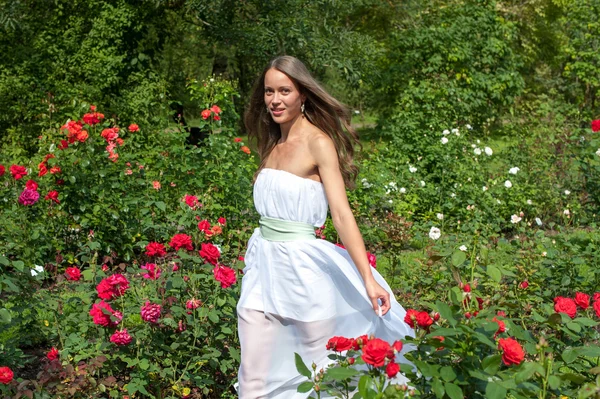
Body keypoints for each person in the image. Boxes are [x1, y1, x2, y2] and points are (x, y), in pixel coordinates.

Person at [236, 55, 414, 398]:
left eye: (285, 90)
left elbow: (342, 215)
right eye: (269, 91)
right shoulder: (273, 142)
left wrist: (368, 279)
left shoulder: (318, 143)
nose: (275, 99)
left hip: (304, 273)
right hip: (262, 268)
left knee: (323, 375)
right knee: (253, 378)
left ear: (303, 94)